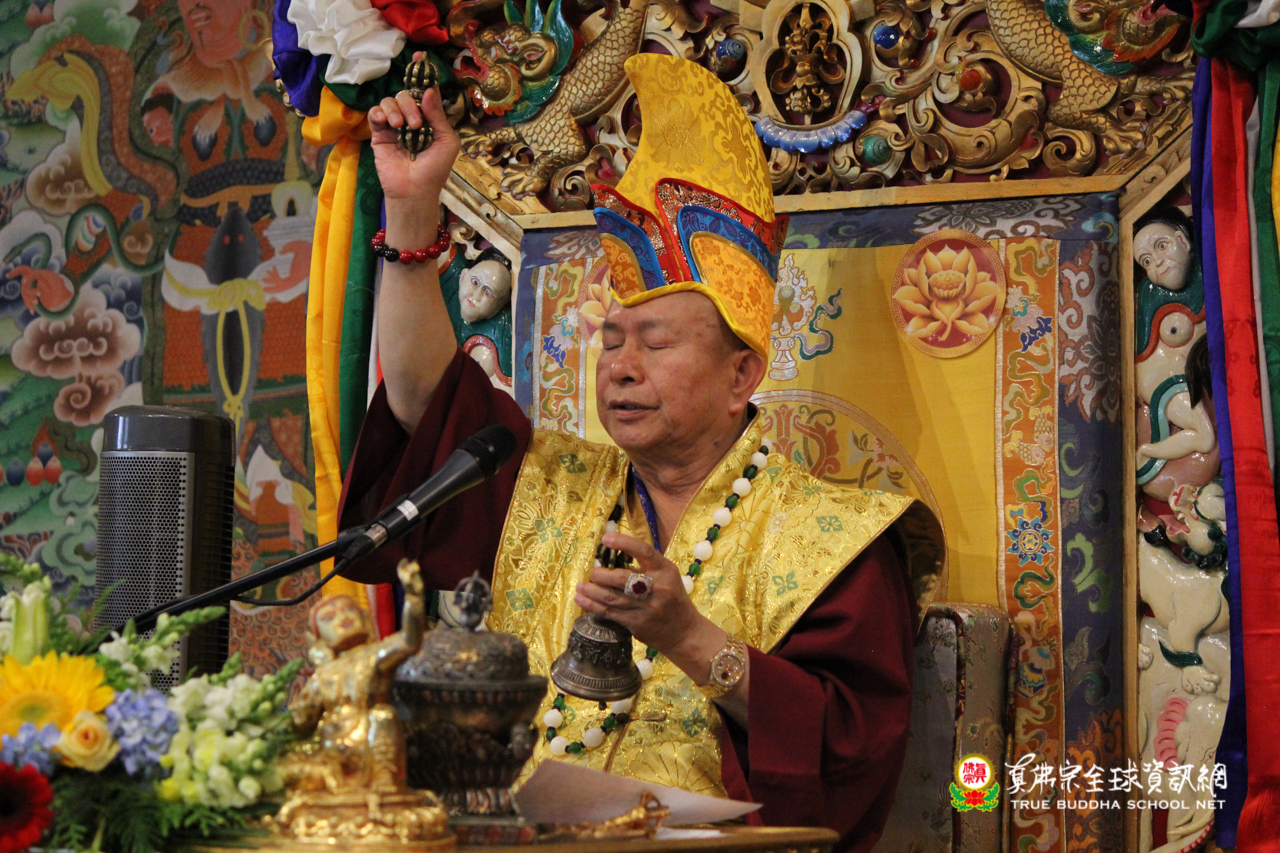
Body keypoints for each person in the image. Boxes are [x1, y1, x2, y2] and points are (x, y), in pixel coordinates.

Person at [338, 53, 943, 853]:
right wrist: (413, 209)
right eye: (613, 339)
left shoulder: (837, 537)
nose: (620, 366)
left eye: (655, 342)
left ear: (742, 375)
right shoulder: (546, 483)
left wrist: (688, 636)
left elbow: (852, 753)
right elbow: (426, 403)